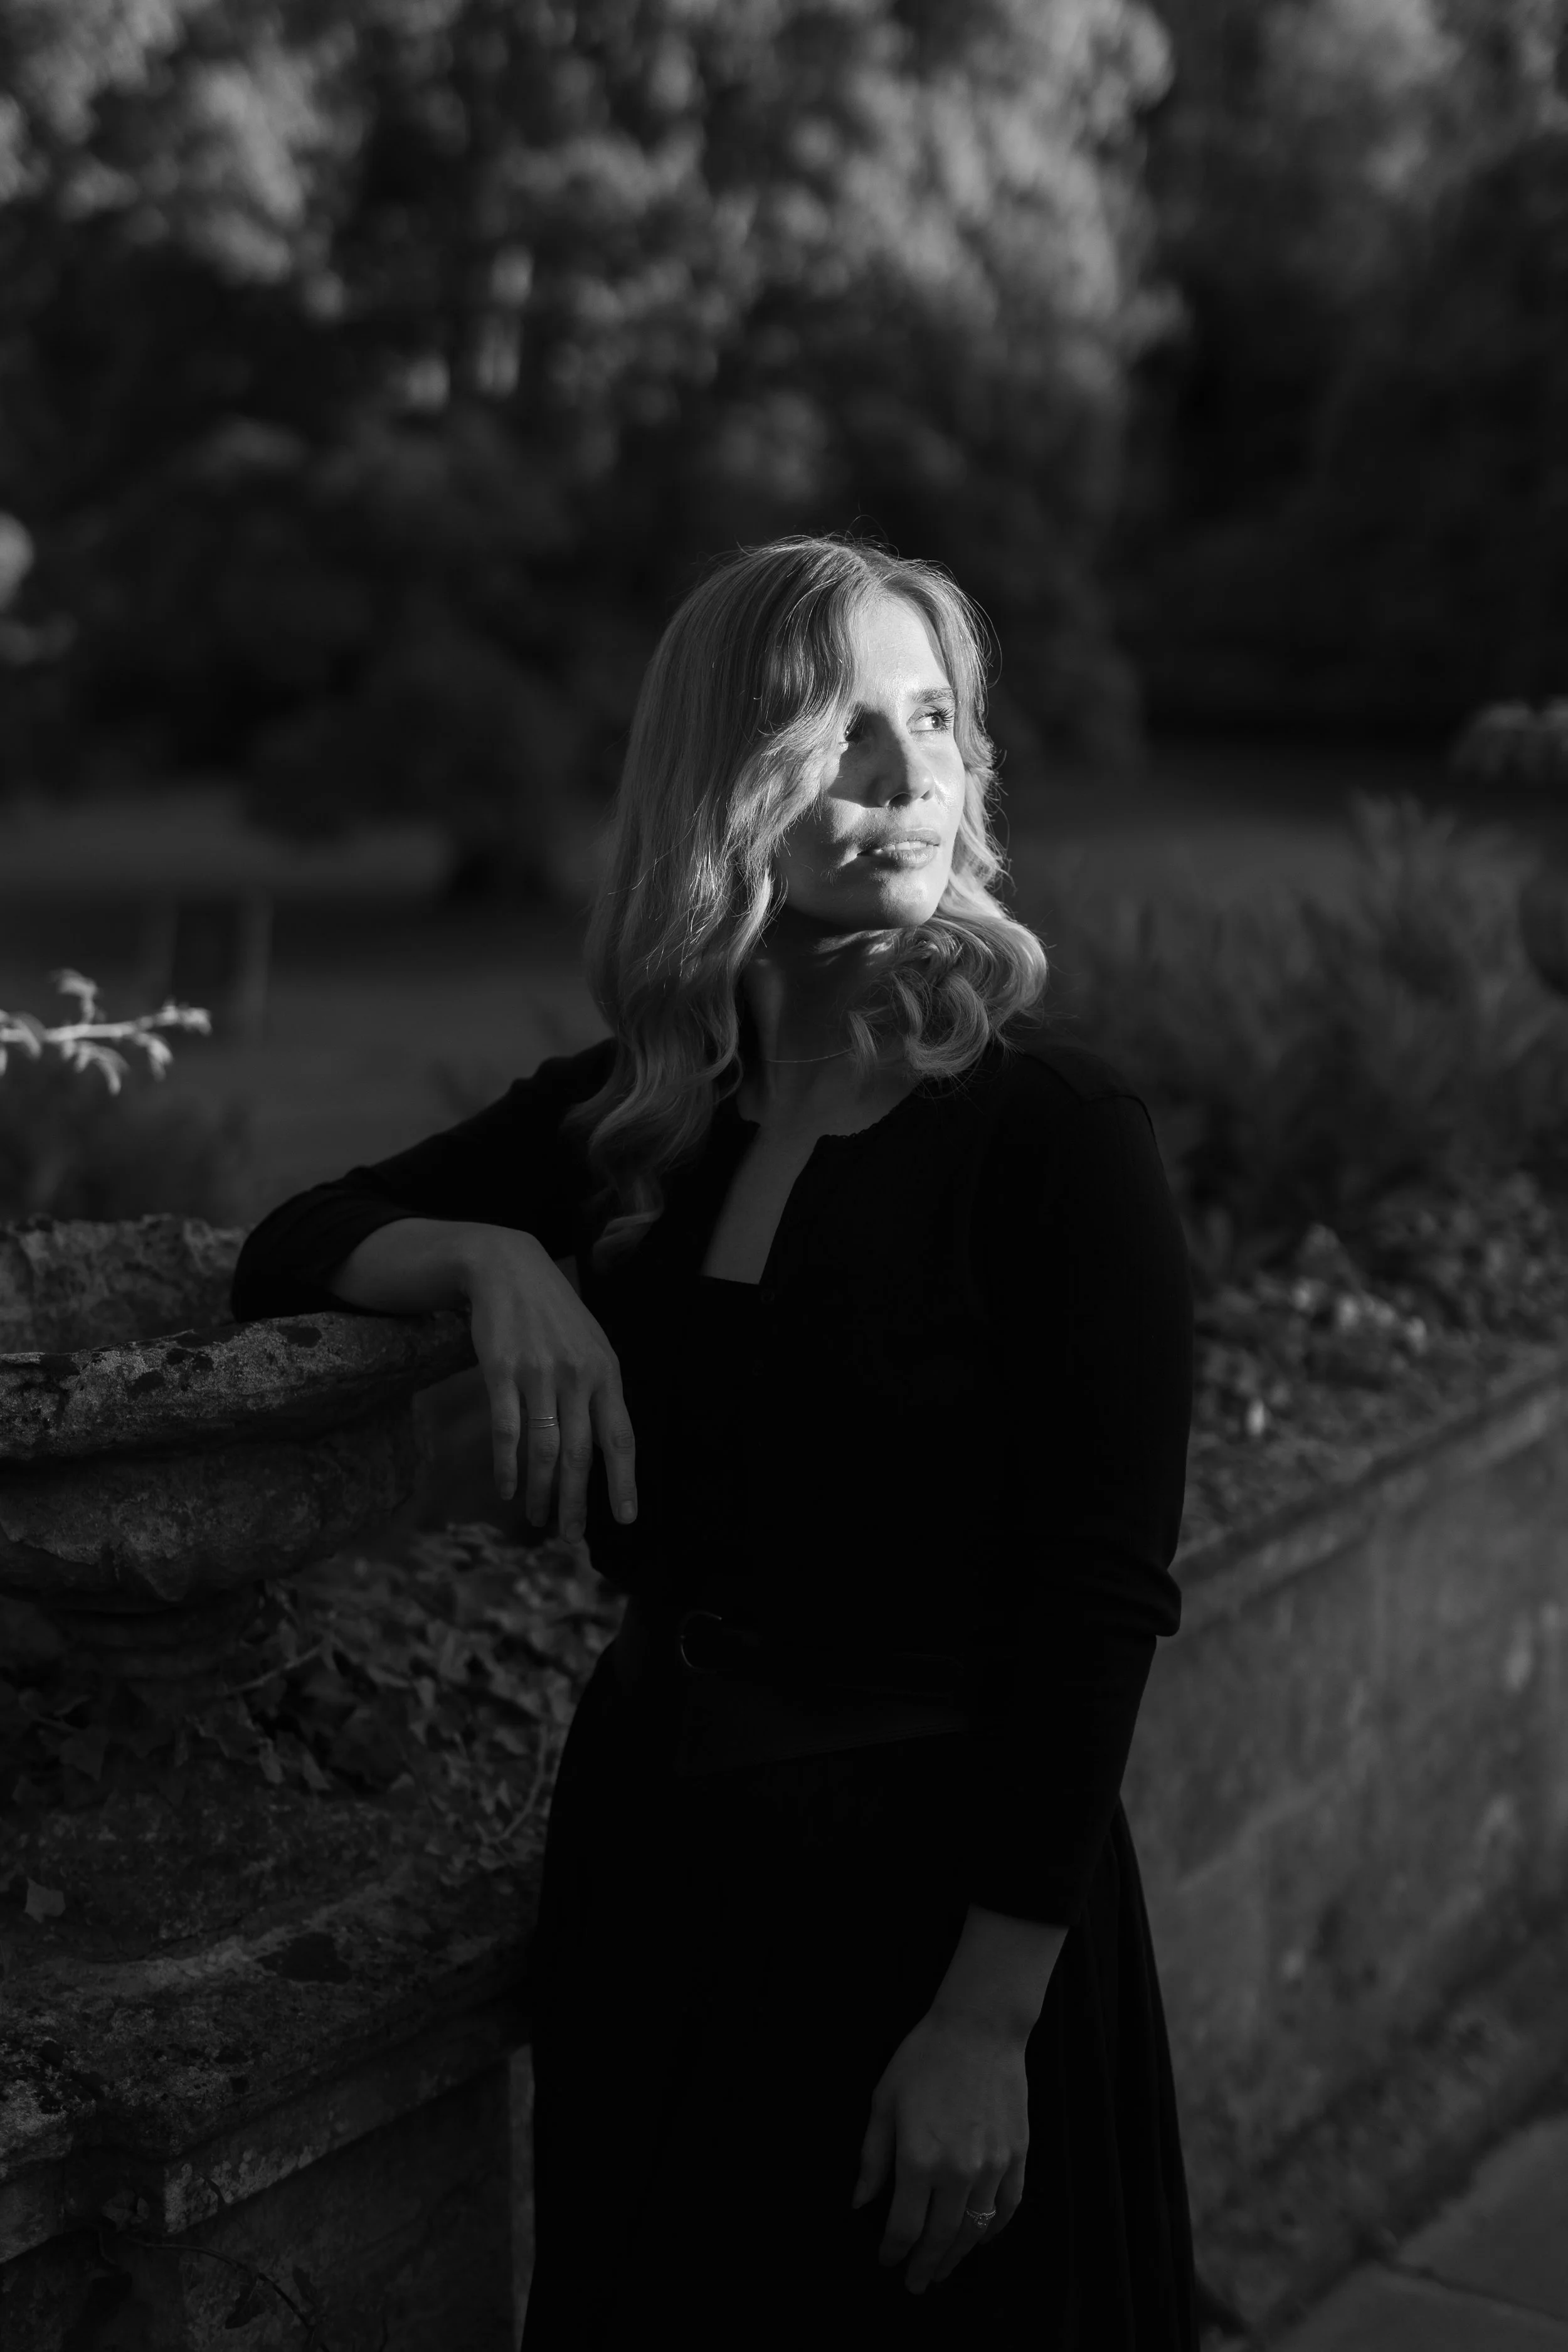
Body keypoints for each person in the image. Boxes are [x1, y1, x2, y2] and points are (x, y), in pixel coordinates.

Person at [231, 535, 1199, 2348]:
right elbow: (285, 1243)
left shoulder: (1052, 1131)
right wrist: (491, 1253)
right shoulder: (637, 1116)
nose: (907, 778)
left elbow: (1099, 1590)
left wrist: (986, 2021)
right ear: (722, 775)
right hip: (660, 1873)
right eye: (840, 733)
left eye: (932, 722)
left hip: (938, 1905)